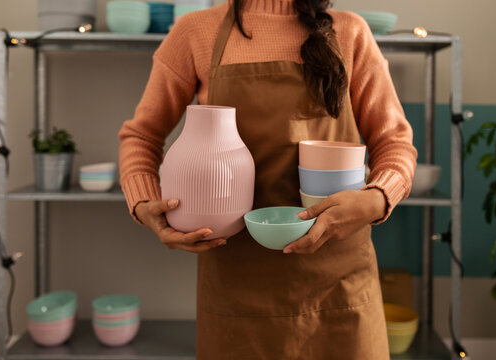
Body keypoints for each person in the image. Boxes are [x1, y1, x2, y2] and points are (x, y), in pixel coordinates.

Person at [118, 0, 417, 357]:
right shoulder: (195, 33)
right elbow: (142, 136)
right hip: (236, 288)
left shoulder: (350, 33)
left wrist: (376, 199)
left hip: (338, 286)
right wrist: (144, 202)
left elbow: (395, 144)